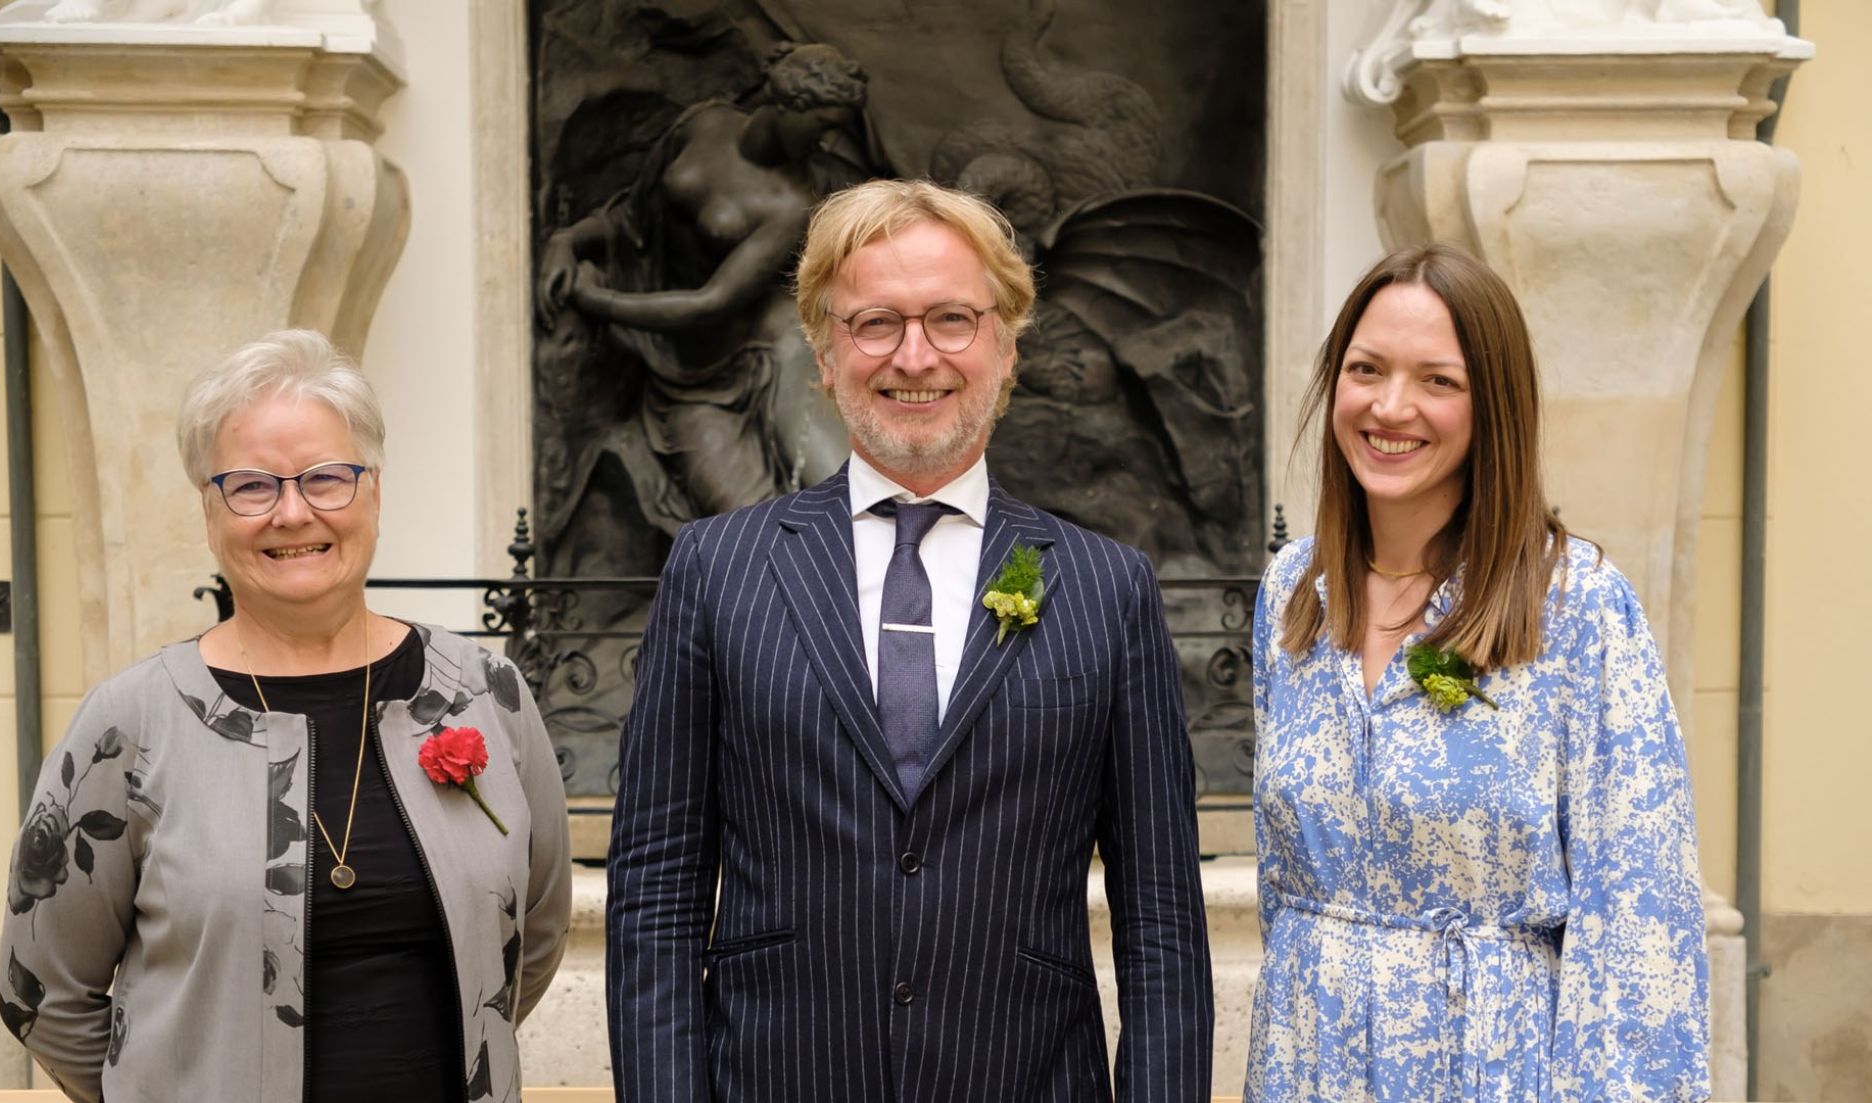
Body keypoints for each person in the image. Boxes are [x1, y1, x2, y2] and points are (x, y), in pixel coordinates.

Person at [606, 179, 1214, 1102]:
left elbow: (1162, 916)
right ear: (823, 350)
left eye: (952, 319)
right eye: (875, 322)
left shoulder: (1106, 589)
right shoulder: (715, 569)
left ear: (1007, 344)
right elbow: (656, 892)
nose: (915, 354)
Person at [0, 331, 572, 1103]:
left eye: (326, 478)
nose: (293, 511)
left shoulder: (484, 691)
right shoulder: (131, 723)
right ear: (210, 510)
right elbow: (41, 989)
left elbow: (534, 932)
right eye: (252, 485)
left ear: (372, 490)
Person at [1247, 244, 1710, 1101]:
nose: (1391, 406)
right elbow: (1282, 883)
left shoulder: (1579, 609)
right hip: (1306, 1062)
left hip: (1489, 1068)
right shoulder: (1293, 591)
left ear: (1492, 404)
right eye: (1366, 369)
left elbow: (1641, 924)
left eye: (1438, 381)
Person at [537, 42, 867, 535]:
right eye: (824, 124)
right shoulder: (703, 123)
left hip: (754, 360)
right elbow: (632, 218)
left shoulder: (791, 202)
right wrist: (569, 240)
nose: (828, 141)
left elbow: (709, 304)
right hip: (682, 372)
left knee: (790, 511)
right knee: (740, 525)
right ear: (789, 103)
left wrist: (596, 302)